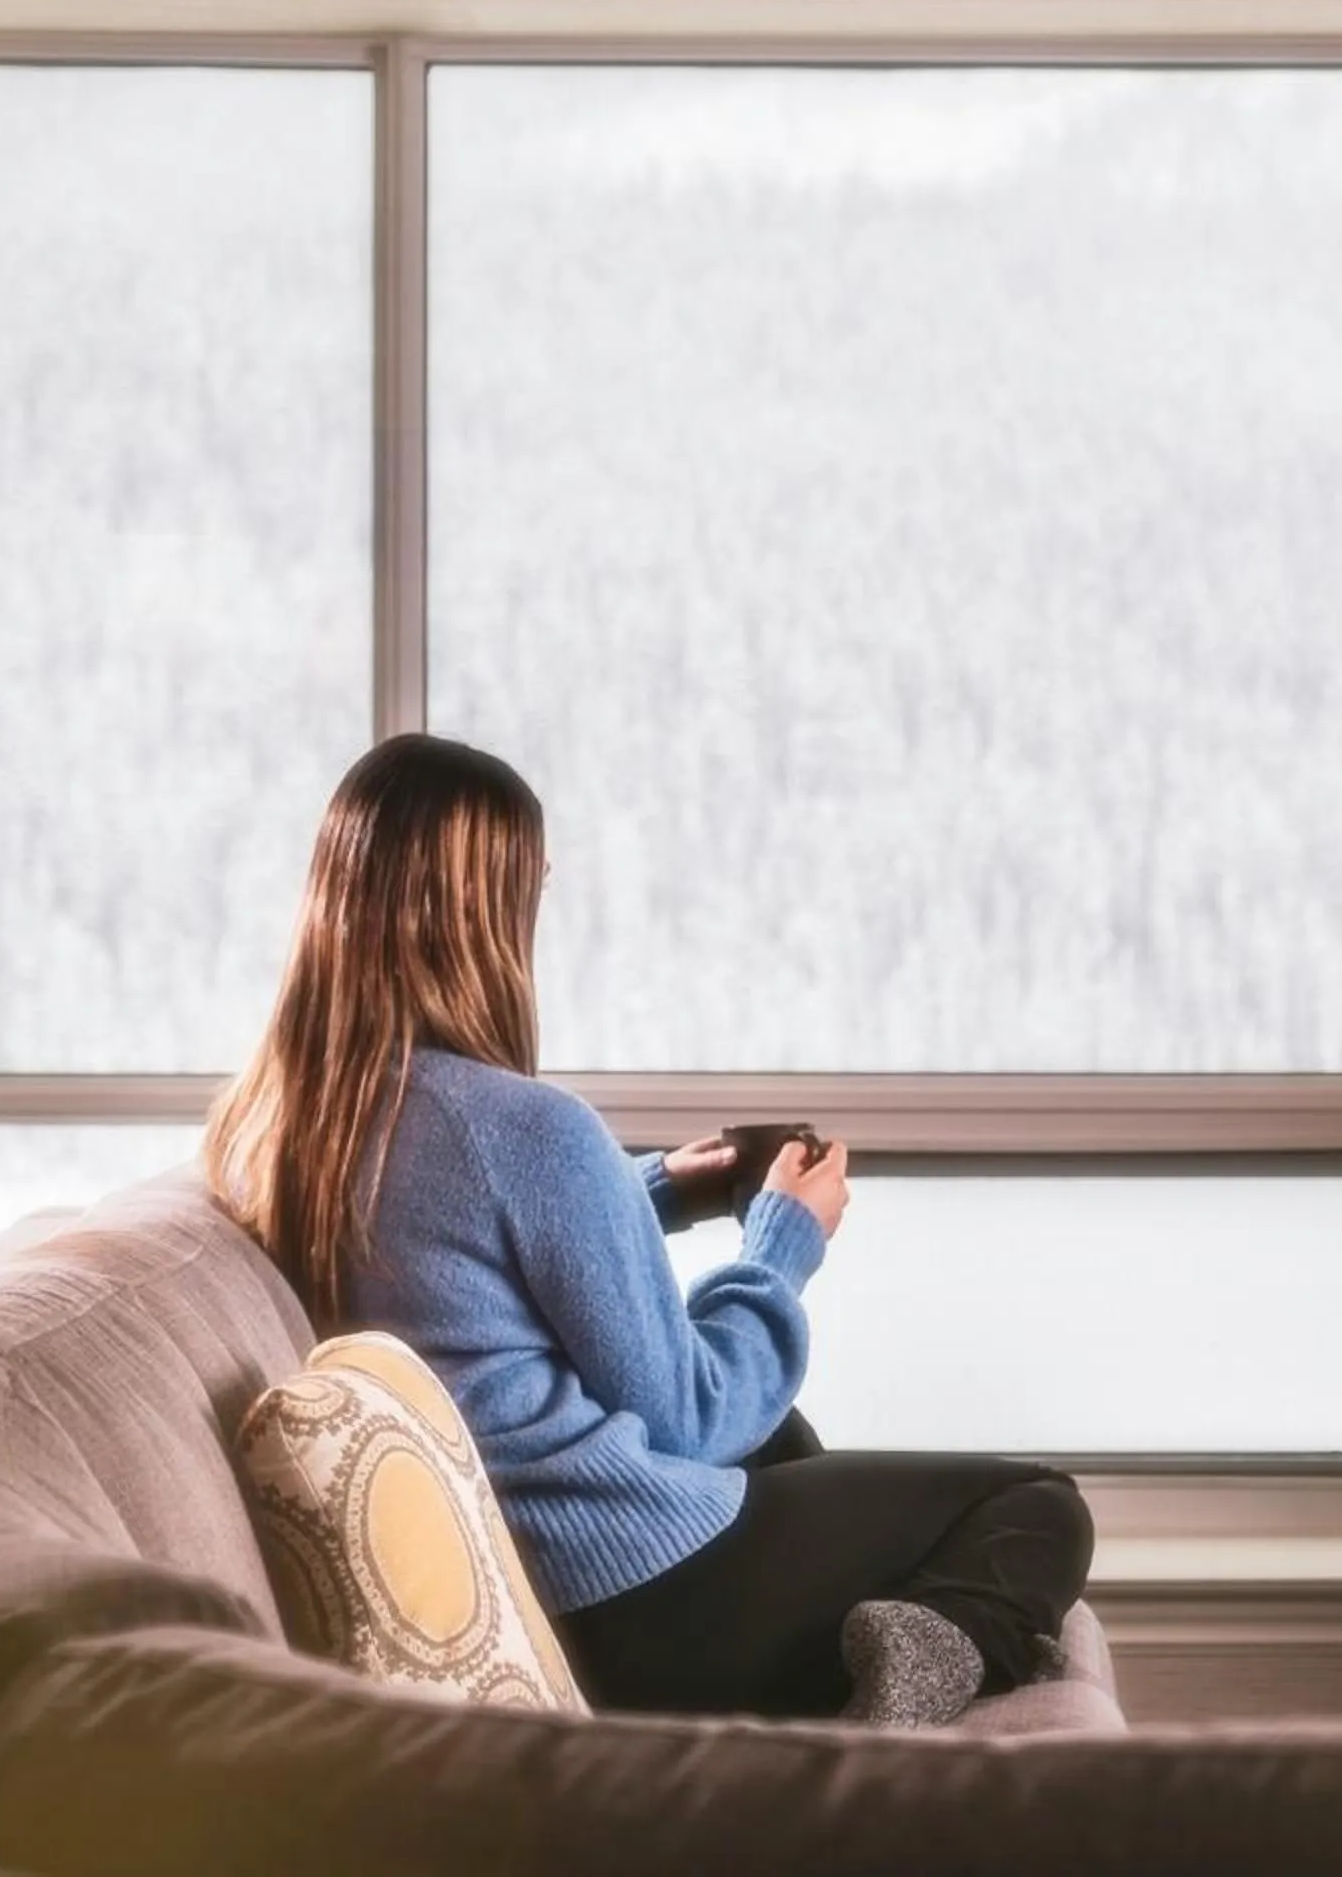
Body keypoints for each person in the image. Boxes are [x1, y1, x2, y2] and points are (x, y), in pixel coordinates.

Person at [204, 733, 1092, 1722]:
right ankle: (911, 1674)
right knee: (1035, 1505)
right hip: (644, 1592)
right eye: (530, 890)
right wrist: (783, 1243)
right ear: (483, 910)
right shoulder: (526, 1129)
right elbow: (691, 1415)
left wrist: (656, 1188)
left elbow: (448, 1250)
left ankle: (882, 1641)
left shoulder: (283, 1127)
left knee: (781, 1434)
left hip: (554, 1594)